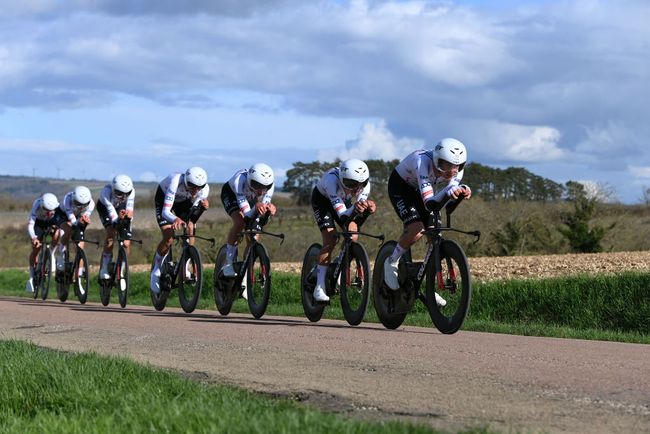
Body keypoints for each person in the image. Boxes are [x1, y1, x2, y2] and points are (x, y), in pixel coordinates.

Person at [383, 138, 472, 306]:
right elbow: (429, 203)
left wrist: (462, 191)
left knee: (434, 234)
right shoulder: (422, 162)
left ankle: (430, 287)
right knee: (416, 229)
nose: (451, 171)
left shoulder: (457, 169)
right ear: (437, 160)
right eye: (446, 165)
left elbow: (448, 197)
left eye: (456, 166)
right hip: (401, 188)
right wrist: (448, 190)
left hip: (422, 191)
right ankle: (392, 261)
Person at [310, 158, 377, 302]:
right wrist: (357, 206)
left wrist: (367, 207)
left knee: (353, 236)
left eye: (361, 185)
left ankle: (338, 264)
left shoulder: (364, 186)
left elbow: (357, 209)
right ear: (342, 179)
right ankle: (319, 287)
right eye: (351, 184)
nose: (356, 189)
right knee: (331, 239)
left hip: (341, 200)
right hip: (322, 202)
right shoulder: (331, 181)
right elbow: (342, 215)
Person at [150, 167, 209, 293]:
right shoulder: (175, 181)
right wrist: (175, 219)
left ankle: (185, 265)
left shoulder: (203, 190)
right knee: (169, 235)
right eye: (192, 186)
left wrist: (202, 209)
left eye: (199, 187)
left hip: (182, 201)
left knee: (190, 227)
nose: (196, 190)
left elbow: (192, 216)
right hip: (164, 199)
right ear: (186, 181)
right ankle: (156, 270)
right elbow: (166, 212)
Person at [220, 163, 276, 278]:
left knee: (253, 235)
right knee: (240, 222)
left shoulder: (269, 184)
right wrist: (257, 207)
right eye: (257, 185)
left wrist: (269, 210)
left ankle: (246, 271)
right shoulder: (239, 181)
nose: (261, 191)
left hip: (250, 197)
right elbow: (246, 214)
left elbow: (262, 212)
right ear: (250, 180)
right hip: (231, 195)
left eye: (265, 187)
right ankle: (228, 263)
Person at [97, 174, 135, 280]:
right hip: (106, 208)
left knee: (126, 243)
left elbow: (130, 213)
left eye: (126, 194)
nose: (123, 197)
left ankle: (122, 269)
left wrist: (126, 220)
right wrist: (118, 220)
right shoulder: (106, 193)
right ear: (114, 190)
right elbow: (112, 215)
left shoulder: (132, 192)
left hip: (121, 209)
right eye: (119, 193)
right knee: (111, 233)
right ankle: (104, 267)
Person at [26, 193, 61, 292]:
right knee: (36, 248)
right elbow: (30, 225)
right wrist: (34, 238)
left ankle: (51, 254)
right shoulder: (36, 205)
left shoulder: (57, 206)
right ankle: (32, 275)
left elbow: (61, 223)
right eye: (46, 210)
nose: (49, 212)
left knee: (57, 232)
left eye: (51, 210)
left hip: (51, 222)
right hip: (39, 223)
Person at [55, 186, 95, 273]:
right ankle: (61, 252)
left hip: (77, 217)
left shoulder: (91, 204)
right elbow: (72, 219)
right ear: (73, 199)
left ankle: (79, 273)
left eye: (84, 205)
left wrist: (84, 222)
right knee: (69, 230)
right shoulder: (67, 199)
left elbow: (83, 219)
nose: (81, 207)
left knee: (80, 242)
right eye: (78, 203)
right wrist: (78, 222)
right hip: (62, 215)